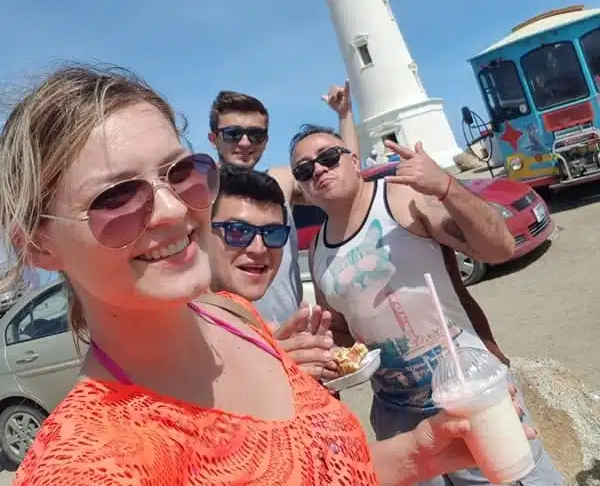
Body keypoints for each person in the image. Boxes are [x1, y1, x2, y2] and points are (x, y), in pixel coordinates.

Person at [0, 64, 522, 485]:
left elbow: (323, 466)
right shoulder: (93, 461)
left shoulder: (235, 316)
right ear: (38, 245)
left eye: (181, 172)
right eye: (115, 197)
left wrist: (418, 455)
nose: (173, 210)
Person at [289, 124, 565, 486]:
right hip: (397, 416)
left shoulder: (401, 199)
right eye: (305, 169)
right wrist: (325, 355)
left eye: (327, 157)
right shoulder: (319, 253)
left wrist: (448, 187)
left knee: (513, 476)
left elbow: (500, 248)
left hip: (468, 390)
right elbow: (344, 331)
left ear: (354, 160)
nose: (319, 170)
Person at [208, 81, 360, 326]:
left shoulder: (280, 180)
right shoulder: (199, 193)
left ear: (266, 141)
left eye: (256, 135)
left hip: (293, 330)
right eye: (233, 134)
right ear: (214, 139)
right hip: (237, 335)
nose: (245, 143)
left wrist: (345, 114)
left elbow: (344, 175)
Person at [208, 163, 337, 381]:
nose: (258, 248)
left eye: (273, 233)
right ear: (200, 233)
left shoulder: (250, 323)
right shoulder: (177, 327)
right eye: (238, 232)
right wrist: (267, 373)